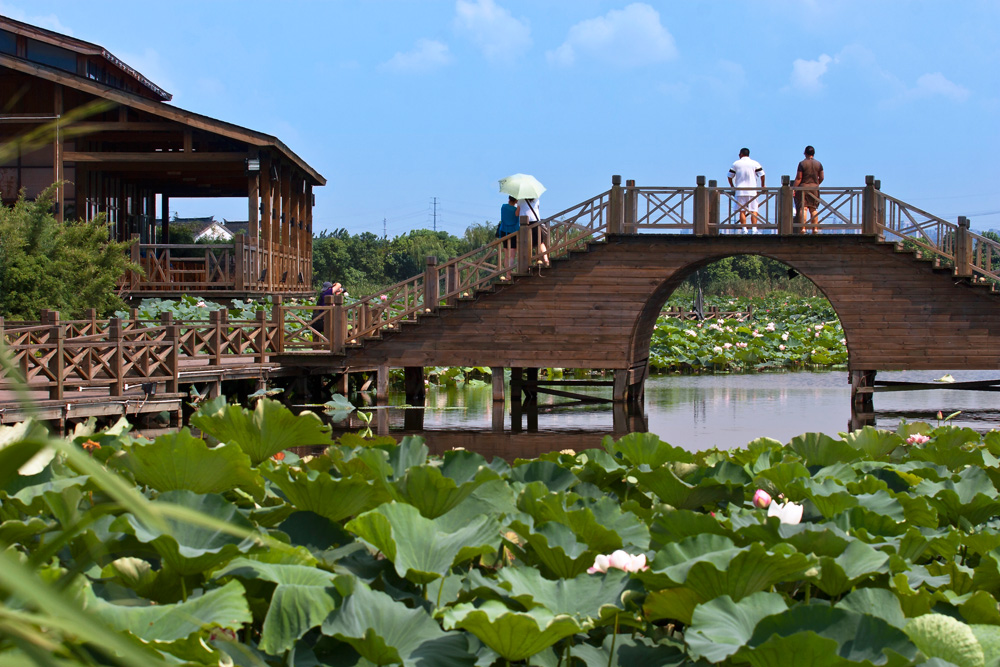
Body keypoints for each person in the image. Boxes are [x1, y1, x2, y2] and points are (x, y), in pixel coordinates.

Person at [727, 148, 766, 233]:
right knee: (754, 210)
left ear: (741, 154)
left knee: (742, 210)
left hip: (740, 190)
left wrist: (732, 186)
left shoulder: (736, 164)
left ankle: (744, 229)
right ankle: (754, 229)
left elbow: (729, 176)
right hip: (752, 190)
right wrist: (763, 185)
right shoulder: (754, 163)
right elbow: (762, 174)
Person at [793, 145, 824, 234]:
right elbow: (822, 177)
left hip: (803, 188)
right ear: (813, 153)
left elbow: (799, 178)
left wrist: (794, 188)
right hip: (814, 188)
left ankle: (803, 228)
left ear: (805, 153)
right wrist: (816, 183)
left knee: (804, 208)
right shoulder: (819, 164)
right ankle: (815, 229)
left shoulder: (802, 163)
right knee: (813, 209)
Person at [517, 197, 548, 266]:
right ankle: (545, 259)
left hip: (525, 224)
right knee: (540, 242)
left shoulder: (521, 200)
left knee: (526, 244)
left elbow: (517, 213)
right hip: (536, 222)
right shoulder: (536, 200)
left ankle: (527, 264)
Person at [499, 195, 519, 273]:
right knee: (512, 255)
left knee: (507, 255)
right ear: (516, 200)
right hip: (513, 232)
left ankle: (507, 274)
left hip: (504, 231)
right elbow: (517, 216)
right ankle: (509, 273)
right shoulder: (516, 210)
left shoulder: (503, 207)